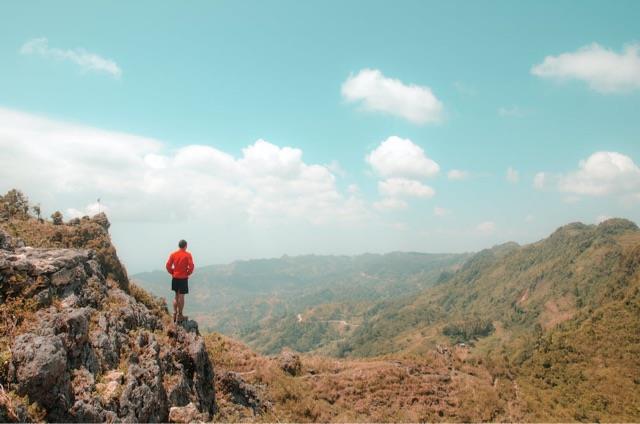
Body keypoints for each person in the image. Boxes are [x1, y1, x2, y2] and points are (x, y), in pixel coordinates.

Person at [165, 239, 195, 323]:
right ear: (185, 246)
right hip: (183, 278)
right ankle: (180, 315)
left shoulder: (173, 254)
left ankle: (174, 313)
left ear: (179, 246)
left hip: (175, 278)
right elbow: (191, 266)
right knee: (181, 296)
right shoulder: (188, 255)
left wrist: (173, 272)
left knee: (176, 296)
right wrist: (187, 273)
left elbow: (168, 265)